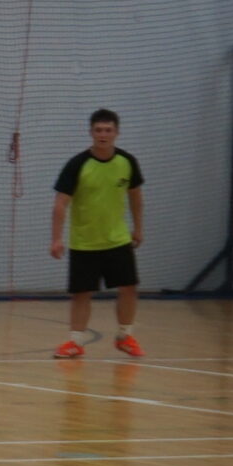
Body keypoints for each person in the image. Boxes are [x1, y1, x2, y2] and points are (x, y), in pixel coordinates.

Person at [51, 109, 146, 359]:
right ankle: (75, 342)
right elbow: (60, 203)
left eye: (108, 130)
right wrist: (57, 239)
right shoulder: (77, 164)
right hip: (85, 242)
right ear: (91, 133)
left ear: (117, 133)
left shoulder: (127, 161)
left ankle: (125, 336)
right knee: (82, 293)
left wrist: (138, 228)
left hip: (117, 239)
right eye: (98, 130)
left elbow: (136, 197)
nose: (103, 135)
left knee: (129, 287)